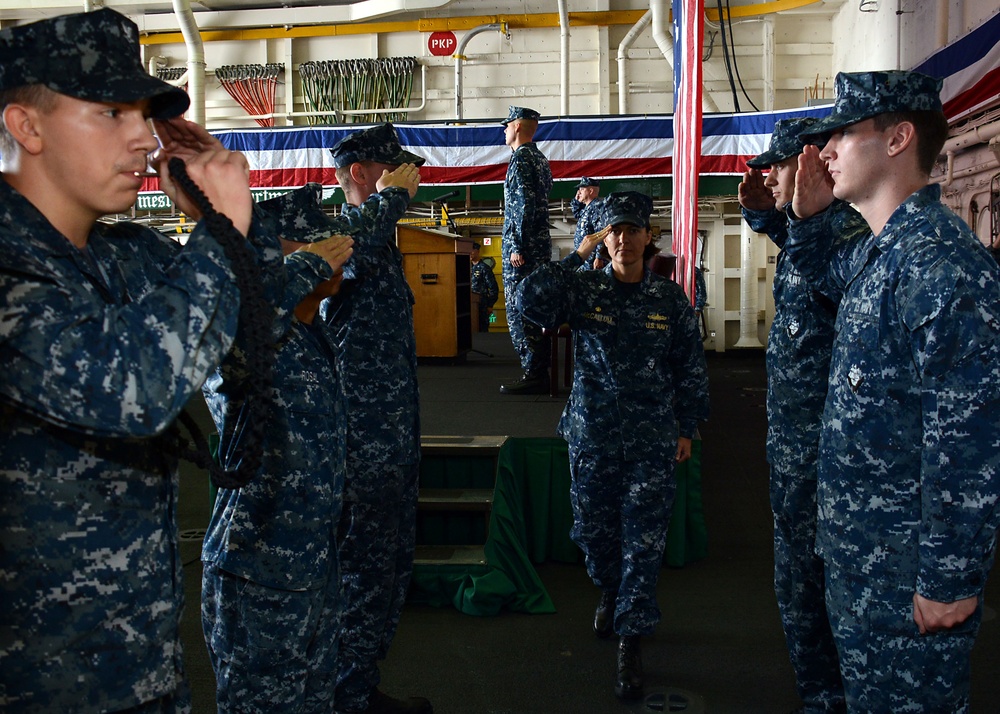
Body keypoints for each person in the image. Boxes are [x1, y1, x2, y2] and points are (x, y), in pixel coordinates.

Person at [0, 8, 345, 713]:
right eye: (111, 111)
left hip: (143, 658)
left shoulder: (124, 256)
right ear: (26, 127)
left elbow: (256, 332)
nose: (141, 136)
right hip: (39, 682)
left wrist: (206, 212)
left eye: (147, 115)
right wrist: (218, 236)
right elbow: (134, 387)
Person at [786, 70, 1000, 712]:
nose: (825, 151)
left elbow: (969, 440)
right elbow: (824, 272)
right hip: (864, 564)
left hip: (909, 573)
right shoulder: (888, 253)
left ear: (899, 137)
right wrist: (808, 216)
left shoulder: (943, 265)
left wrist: (949, 578)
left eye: (844, 133)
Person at [202, 176, 424, 713]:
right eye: (317, 242)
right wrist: (301, 266)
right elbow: (228, 318)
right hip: (258, 574)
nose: (336, 250)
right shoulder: (248, 342)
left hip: (312, 567)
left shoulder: (310, 336)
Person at [515, 191, 710, 701]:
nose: (624, 240)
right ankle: (607, 589)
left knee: (644, 542)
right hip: (593, 438)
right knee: (595, 537)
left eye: (633, 231)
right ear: (605, 238)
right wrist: (578, 253)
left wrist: (686, 427)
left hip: (651, 442)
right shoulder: (584, 290)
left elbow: (689, 367)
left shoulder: (668, 301)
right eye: (614, 231)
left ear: (650, 238)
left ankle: (631, 637)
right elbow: (528, 301)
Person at [739, 116, 865, 714]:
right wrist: (768, 215)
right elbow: (801, 252)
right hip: (794, 448)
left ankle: (829, 694)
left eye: (779, 165)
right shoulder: (813, 231)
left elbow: (830, 275)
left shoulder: (843, 236)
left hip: (826, 456)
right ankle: (818, 690)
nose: (767, 174)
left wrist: (792, 217)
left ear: (811, 165)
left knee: (820, 585)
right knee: (797, 582)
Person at [316, 123, 431, 714]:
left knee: (387, 571)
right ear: (360, 172)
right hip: (359, 443)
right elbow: (338, 250)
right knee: (360, 570)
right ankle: (343, 696)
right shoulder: (335, 232)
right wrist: (390, 199)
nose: (405, 178)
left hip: (393, 439)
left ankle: (358, 686)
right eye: (391, 169)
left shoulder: (381, 239)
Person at [499, 105, 553, 394]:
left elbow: (523, 205)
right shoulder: (539, 159)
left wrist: (517, 245)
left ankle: (534, 373)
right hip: (538, 247)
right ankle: (538, 369)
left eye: (507, 125)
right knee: (533, 305)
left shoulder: (521, 160)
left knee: (520, 309)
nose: (504, 130)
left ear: (518, 126)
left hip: (524, 251)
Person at [571, 177, 604, 270]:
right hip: (585, 259)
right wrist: (576, 201)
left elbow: (600, 234)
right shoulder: (587, 208)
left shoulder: (597, 208)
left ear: (590, 191)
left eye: (582, 189)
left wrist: (599, 257)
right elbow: (577, 213)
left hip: (592, 261)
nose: (579, 192)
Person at [470, 241, 499, 331]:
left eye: (472, 251)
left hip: (482, 304)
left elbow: (493, 288)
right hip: (470, 305)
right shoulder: (466, 266)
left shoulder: (484, 268)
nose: (470, 254)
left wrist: (490, 305)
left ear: (477, 251)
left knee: (482, 329)